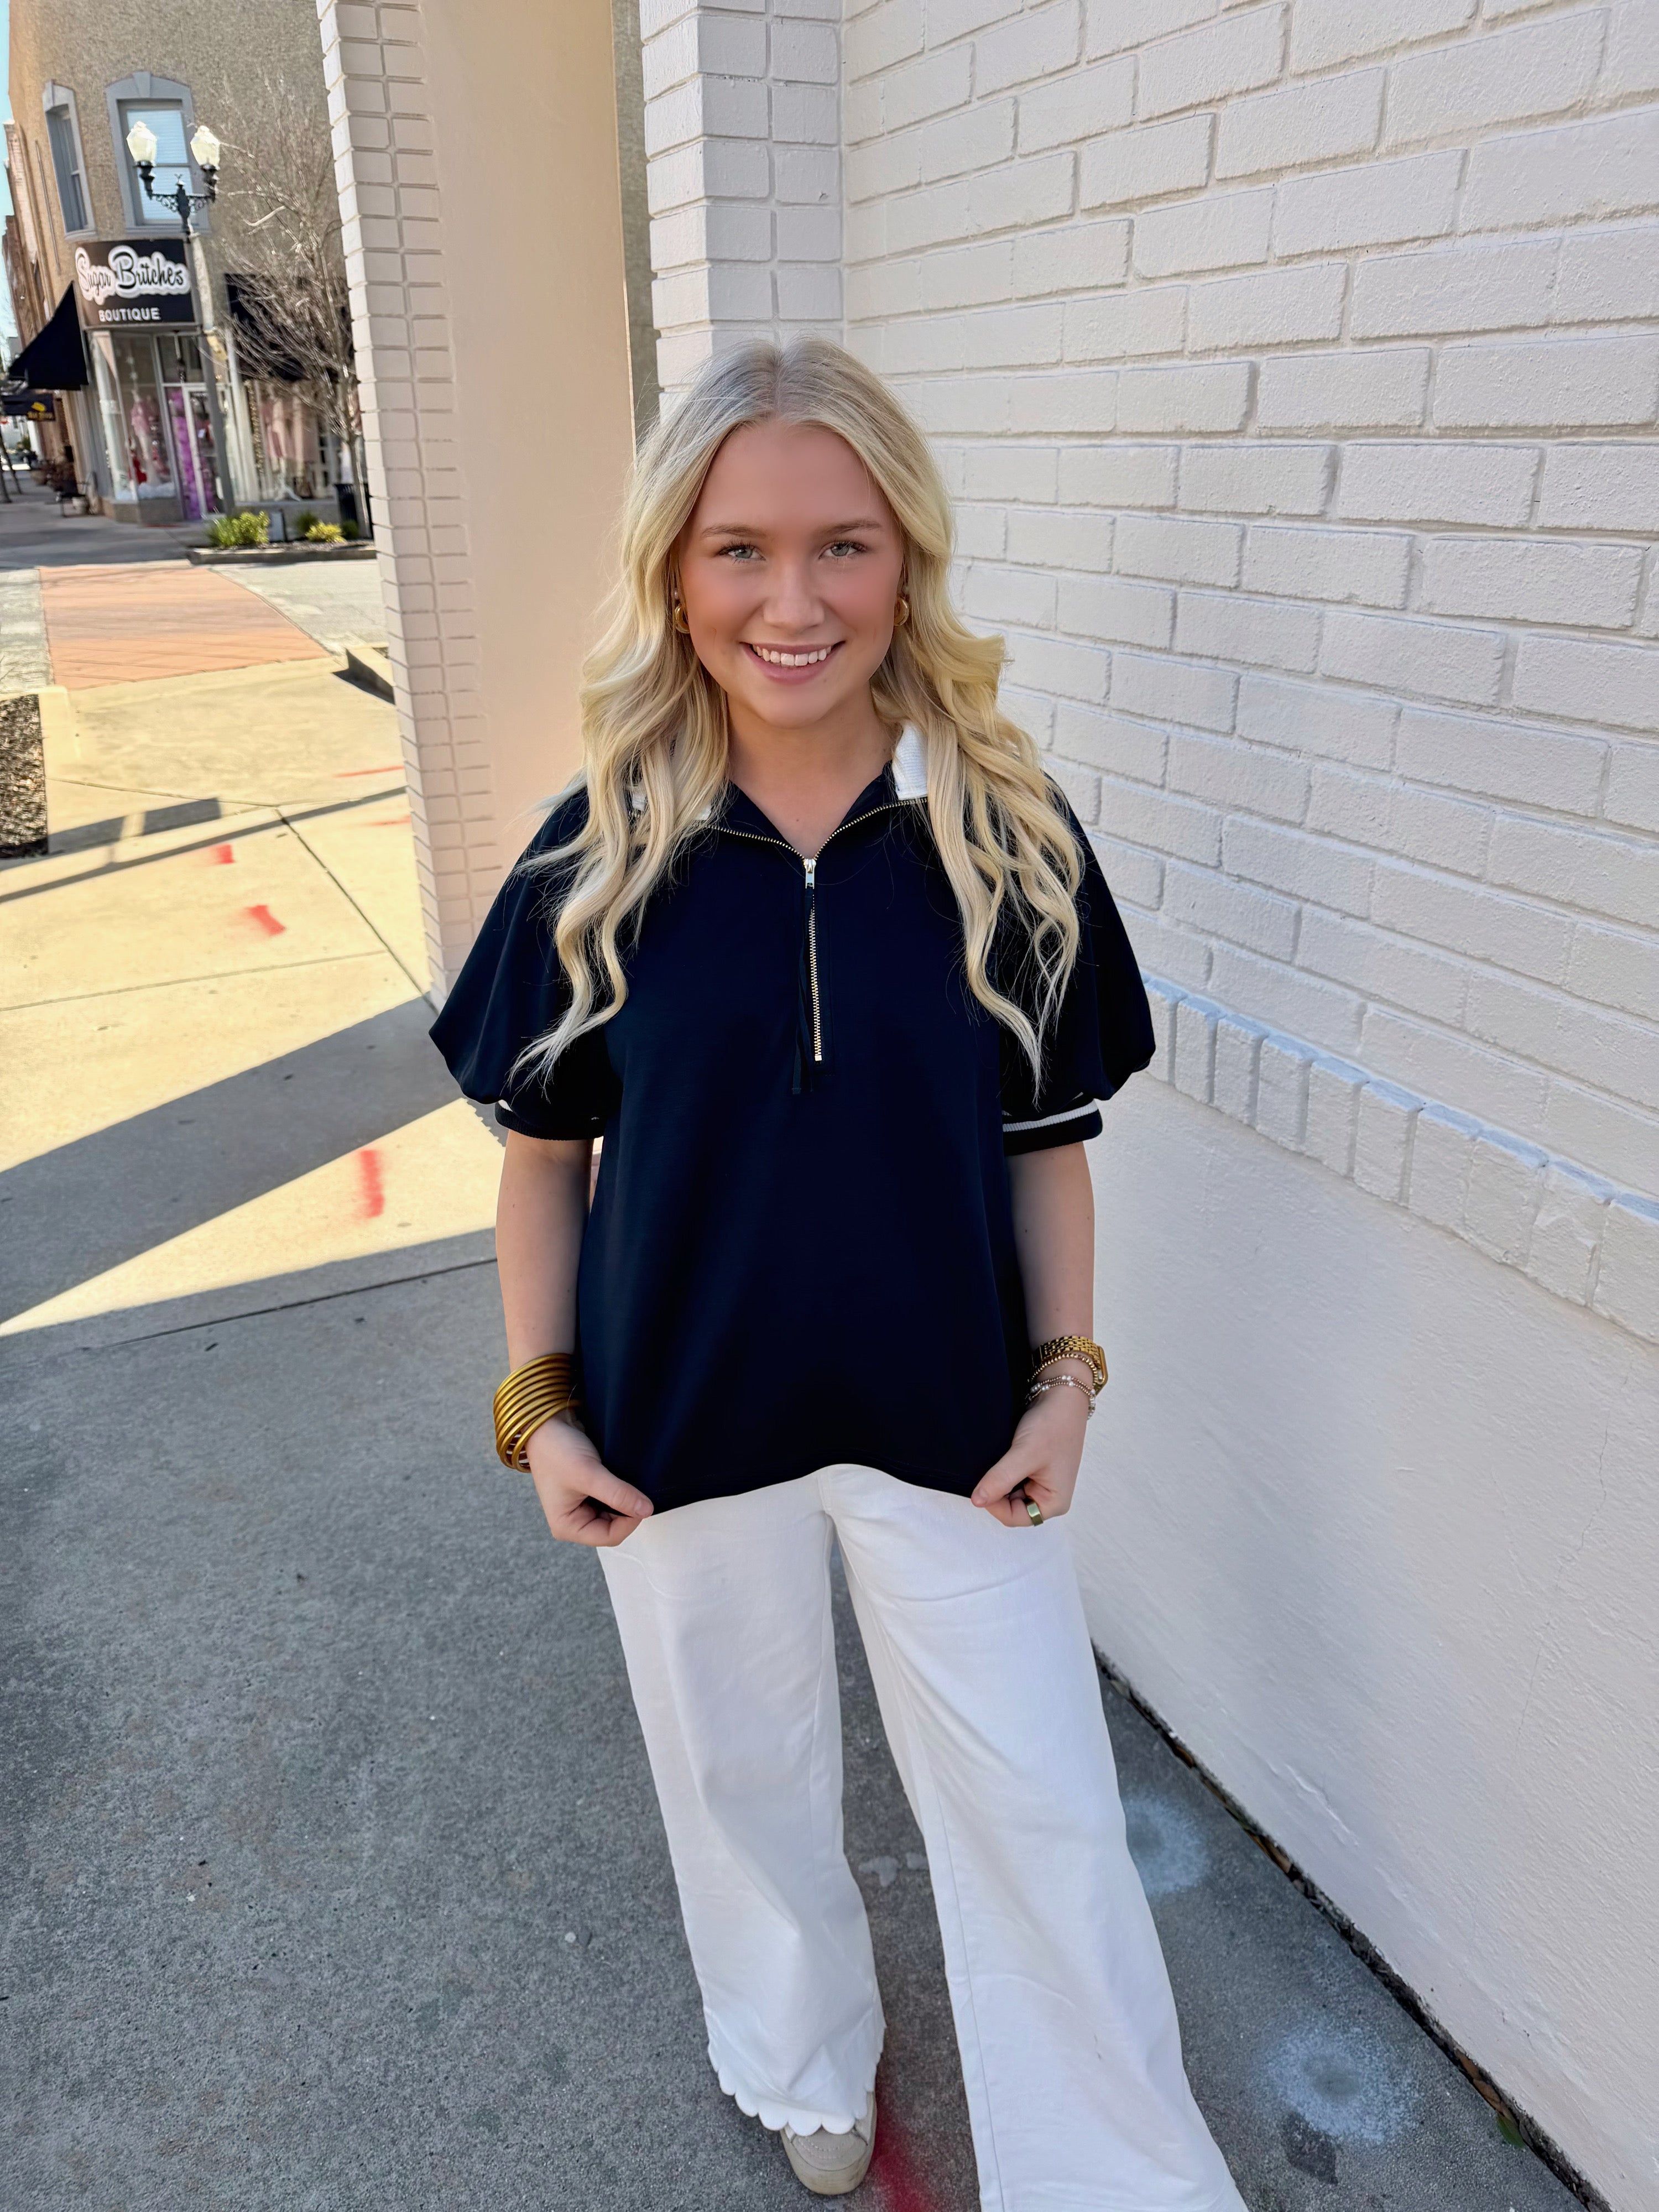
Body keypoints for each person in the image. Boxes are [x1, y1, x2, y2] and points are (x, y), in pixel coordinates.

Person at [431, 337, 1246, 2210]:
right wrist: (541, 1412)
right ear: (673, 574)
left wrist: (1065, 1382)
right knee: (742, 1781)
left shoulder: (1005, 838)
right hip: (676, 1429)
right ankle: (799, 2054)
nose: (792, 602)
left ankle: (1118, 2171)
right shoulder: (601, 854)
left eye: (843, 547)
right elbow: (541, 1169)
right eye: (738, 551)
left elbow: (1050, 1147)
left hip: (955, 1415)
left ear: (908, 563)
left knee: (1043, 1803)